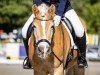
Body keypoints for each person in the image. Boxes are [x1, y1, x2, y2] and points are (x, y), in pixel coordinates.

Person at [22, 0, 88, 69]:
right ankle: (29, 59)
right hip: (43, 9)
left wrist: (59, 14)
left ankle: (82, 58)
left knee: (79, 31)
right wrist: (41, 8)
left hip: (64, 9)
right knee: (24, 31)